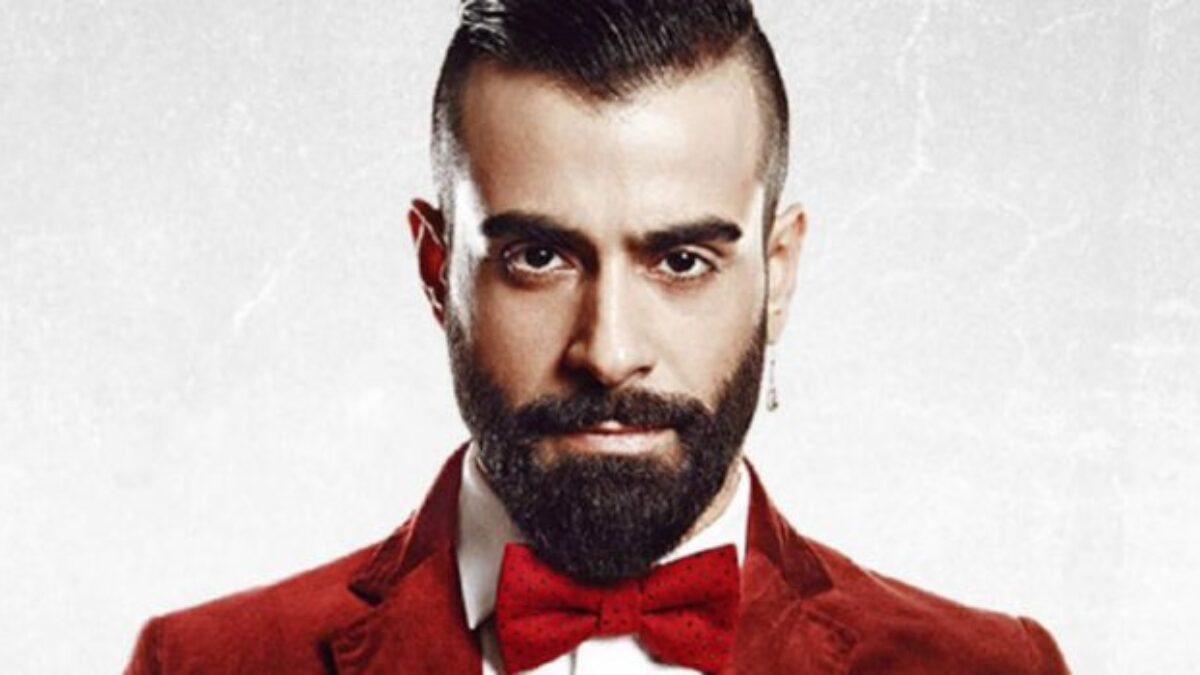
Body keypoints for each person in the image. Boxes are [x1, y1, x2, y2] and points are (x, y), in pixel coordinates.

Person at [127, 0, 1069, 672]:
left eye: (682, 261)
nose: (610, 351)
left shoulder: (991, 667)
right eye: (539, 257)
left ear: (778, 274)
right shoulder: (202, 664)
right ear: (436, 268)